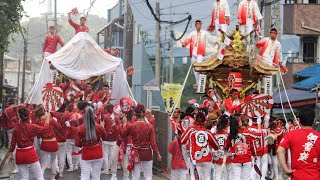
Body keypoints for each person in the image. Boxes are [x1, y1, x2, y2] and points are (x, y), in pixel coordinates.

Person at [121, 103, 161, 180]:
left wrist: (124, 123)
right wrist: (158, 154)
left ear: (135, 114)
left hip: (135, 152)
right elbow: (153, 142)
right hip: (147, 152)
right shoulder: (150, 126)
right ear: (144, 113)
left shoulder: (131, 126)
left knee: (135, 176)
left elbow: (123, 134)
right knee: (148, 175)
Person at [277, 108, 320, 180]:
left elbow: (279, 150)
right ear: (314, 120)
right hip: (315, 176)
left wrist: (286, 169)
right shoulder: (318, 136)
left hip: (297, 175)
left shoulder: (291, 135)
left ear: (299, 120)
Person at [8, 106, 49, 180]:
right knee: (39, 176)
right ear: (29, 117)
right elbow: (45, 129)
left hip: (19, 153)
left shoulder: (16, 128)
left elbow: (13, 143)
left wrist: (11, 154)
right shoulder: (33, 126)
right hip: (30, 152)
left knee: (24, 177)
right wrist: (47, 120)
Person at [75, 101, 108, 180]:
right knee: (96, 176)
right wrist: (102, 127)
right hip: (98, 152)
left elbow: (78, 144)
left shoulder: (80, 129)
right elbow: (105, 137)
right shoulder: (99, 127)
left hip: (86, 153)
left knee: (85, 175)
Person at [180, 111, 218, 180]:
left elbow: (182, 140)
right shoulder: (207, 131)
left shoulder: (191, 130)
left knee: (193, 176)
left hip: (193, 156)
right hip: (206, 156)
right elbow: (216, 145)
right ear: (204, 121)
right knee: (207, 177)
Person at [183, 20, 219, 84]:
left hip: (200, 52)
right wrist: (184, 44)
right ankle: (197, 82)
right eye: (198, 25)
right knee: (194, 68)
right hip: (193, 52)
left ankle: (201, 81)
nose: (199, 26)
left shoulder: (204, 33)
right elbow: (188, 40)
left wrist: (216, 41)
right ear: (195, 26)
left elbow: (210, 38)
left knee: (199, 66)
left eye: (200, 25)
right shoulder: (192, 33)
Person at [38, 110, 63, 180]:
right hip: (53, 142)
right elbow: (59, 127)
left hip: (45, 143)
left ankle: (41, 177)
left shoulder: (39, 122)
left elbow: (38, 134)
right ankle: (52, 177)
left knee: (43, 163)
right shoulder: (51, 120)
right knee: (54, 160)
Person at [228, 116, 254, 180]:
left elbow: (227, 146)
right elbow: (252, 144)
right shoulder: (247, 132)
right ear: (238, 123)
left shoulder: (230, 135)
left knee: (236, 178)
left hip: (235, 158)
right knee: (246, 178)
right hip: (246, 157)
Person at [212, 115, 231, 180]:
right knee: (229, 175)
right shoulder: (228, 135)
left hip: (217, 156)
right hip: (227, 155)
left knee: (218, 175)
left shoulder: (214, 134)